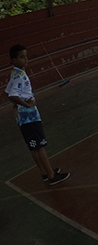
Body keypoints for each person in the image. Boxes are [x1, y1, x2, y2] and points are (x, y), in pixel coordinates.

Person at [5, 45, 70, 186]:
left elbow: (10, 93)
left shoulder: (15, 73)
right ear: (14, 60)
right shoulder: (19, 75)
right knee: (39, 146)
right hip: (29, 115)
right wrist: (27, 105)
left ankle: (44, 172)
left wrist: (16, 105)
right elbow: (12, 94)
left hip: (23, 116)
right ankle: (52, 176)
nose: (26, 59)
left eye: (26, 56)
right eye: (22, 57)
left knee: (33, 146)